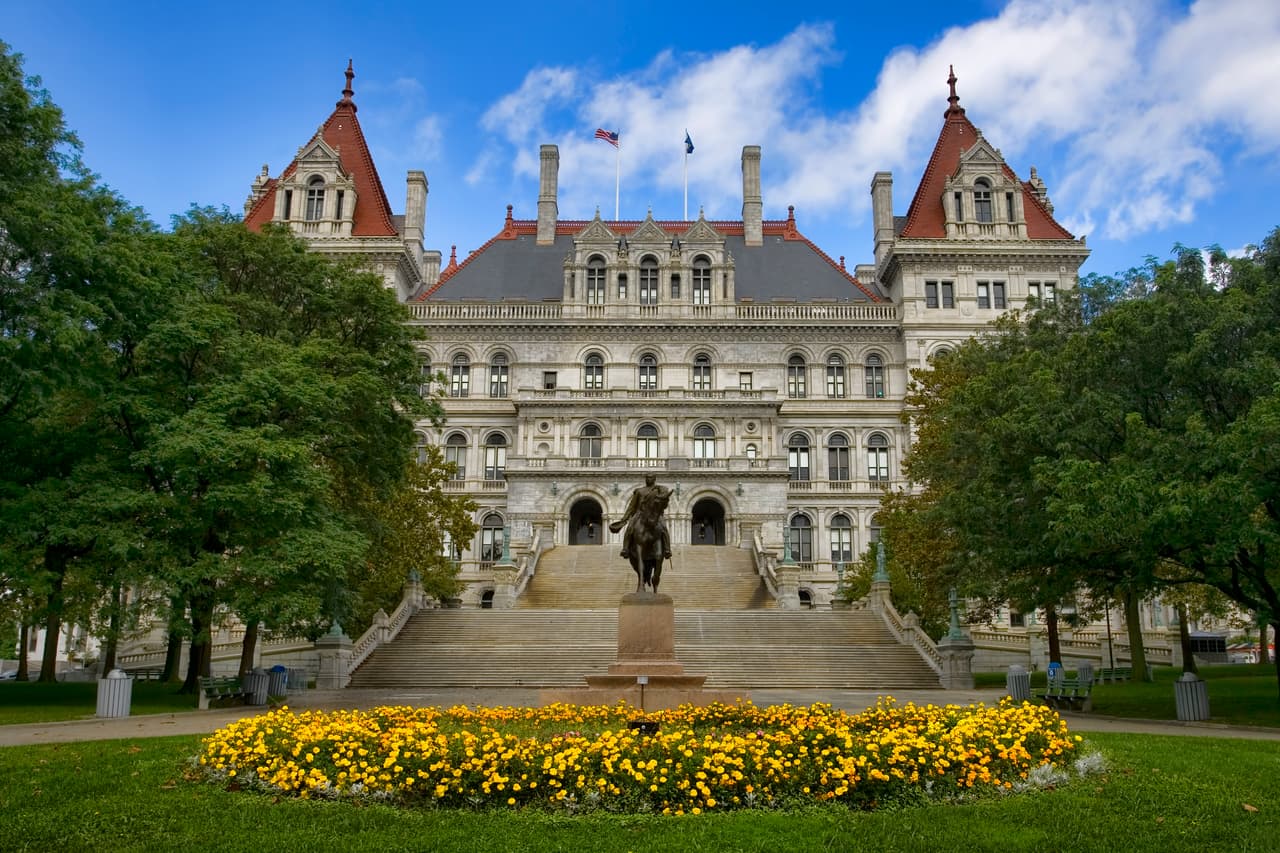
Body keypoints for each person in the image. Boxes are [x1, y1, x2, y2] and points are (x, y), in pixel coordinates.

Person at [609, 473, 672, 560]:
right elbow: (632, 506)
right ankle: (625, 548)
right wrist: (625, 518)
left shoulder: (660, 490)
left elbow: (664, 504)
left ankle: (667, 549)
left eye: (650, 477)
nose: (648, 479)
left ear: (654, 479)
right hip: (640, 514)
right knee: (630, 527)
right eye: (647, 478)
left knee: (664, 528)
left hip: (655, 514)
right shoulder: (639, 491)